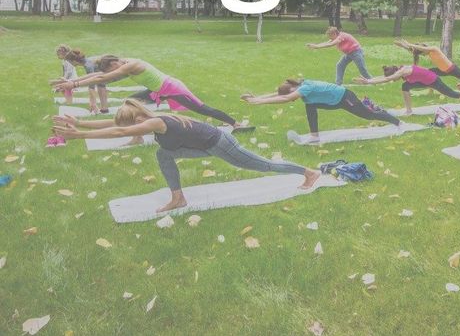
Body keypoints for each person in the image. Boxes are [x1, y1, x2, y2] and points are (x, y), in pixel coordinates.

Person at [52, 100, 321, 213]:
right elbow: (115, 126)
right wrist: (81, 124)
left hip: (219, 143)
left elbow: (116, 132)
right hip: (203, 145)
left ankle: (308, 172)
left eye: (129, 124)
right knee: (164, 154)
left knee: (264, 166)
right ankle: (178, 198)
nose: (128, 128)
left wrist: (79, 136)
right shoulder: (148, 118)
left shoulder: (153, 122)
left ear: (137, 118)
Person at [52, 56, 253, 138]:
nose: (115, 70)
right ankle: (137, 135)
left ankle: (235, 124)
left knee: (202, 109)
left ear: (115, 62)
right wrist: (73, 82)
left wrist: (74, 84)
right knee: (129, 105)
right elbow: (99, 75)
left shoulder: (131, 64)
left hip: (172, 88)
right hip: (158, 91)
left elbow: (104, 76)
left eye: (112, 67)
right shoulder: (122, 62)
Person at [242, 78, 401, 139]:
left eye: (291, 95)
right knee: (309, 105)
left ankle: (396, 121)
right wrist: (256, 98)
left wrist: (257, 103)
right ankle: (314, 135)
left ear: (292, 89)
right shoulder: (298, 86)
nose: (292, 99)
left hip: (344, 98)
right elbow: (279, 94)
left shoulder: (305, 88)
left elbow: (284, 98)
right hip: (333, 101)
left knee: (369, 116)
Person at [354, 65, 460, 116]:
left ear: (395, 74)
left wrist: (368, 82)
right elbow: (384, 77)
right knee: (405, 86)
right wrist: (369, 79)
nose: (394, 80)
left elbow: (387, 79)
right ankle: (409, 110)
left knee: (451, 94)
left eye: (394, 78)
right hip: (424, 81)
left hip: (433, 80)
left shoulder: (402, 72)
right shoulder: (399, 70)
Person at [55, 45, 110, 114]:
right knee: (101, 85)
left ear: (74, 61)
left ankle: (102, 108)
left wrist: (93, 103)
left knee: (100, 85)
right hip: (103, 72)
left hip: (111, 70)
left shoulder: (88, 66)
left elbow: (91, 86)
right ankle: (104, 109)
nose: (70, 63)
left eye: (70, 61)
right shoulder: (87, 62)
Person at [307, 27, 371, 84]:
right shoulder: (336, 37)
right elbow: (327, 43)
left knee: (362, 68)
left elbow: (330, 44)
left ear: (334, 34)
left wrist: (316, 47)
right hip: (348, 53)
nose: (329, 38)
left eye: (330, 36)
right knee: (340, 65)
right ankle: (338, 82)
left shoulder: (341, 36)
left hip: (356, 52)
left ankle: (371, 81)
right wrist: (316, 46)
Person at [394, 39, 460, 82]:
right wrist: (403, 46)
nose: (424, 55)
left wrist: (410, 44)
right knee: (429, 73)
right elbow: (415, 51)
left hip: (452, 69)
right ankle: (431, 89)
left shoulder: (434, 49)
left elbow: (422, 49)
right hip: (442, 70)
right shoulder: (427, 52)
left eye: (423, 53)